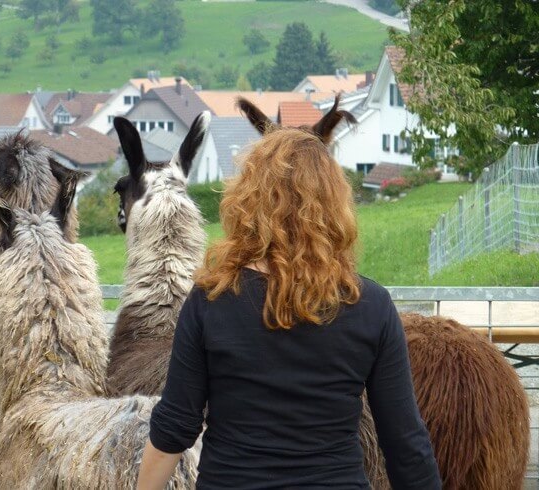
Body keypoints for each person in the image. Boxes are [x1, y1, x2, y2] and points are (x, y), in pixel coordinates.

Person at [136, 126, 441, 489]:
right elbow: (405, 442)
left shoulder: (211, 300)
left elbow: (174, 427)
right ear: (336, 204)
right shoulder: (370, 305)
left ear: (248, 200)